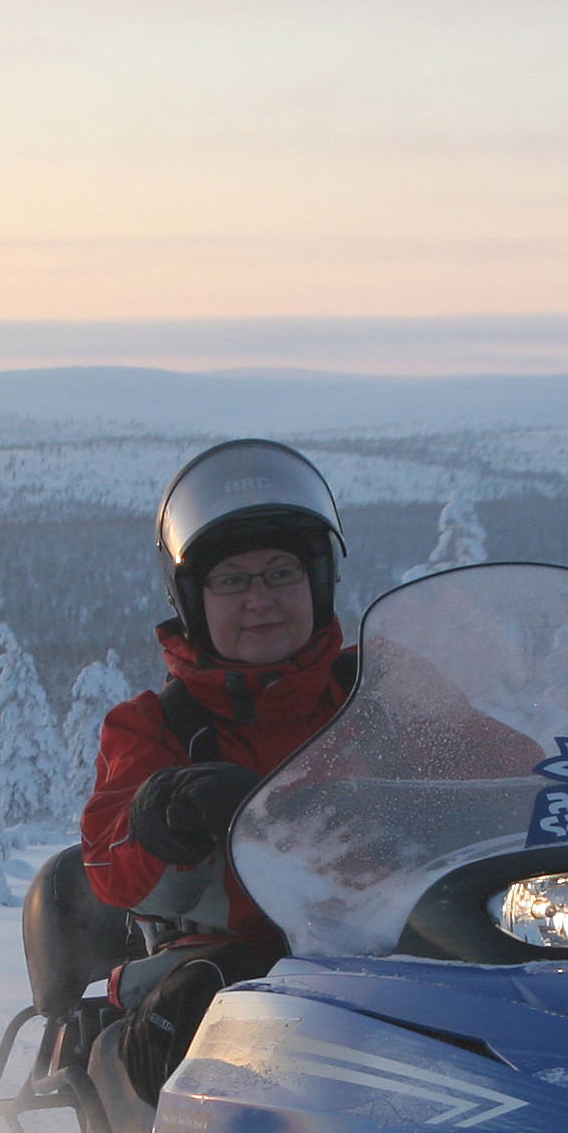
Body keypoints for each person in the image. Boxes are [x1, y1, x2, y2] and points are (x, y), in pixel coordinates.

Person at [82, 439, 359, 1098]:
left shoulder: (380, 690)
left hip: (394, 943)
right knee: (211, 1012)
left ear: (316, 583)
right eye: (232, 580)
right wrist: (163, 809)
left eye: (282, 573)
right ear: (193, 599)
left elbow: (500, 759)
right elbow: (107, 864)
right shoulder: (156, 724)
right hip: (236, 961)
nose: (260, 598)